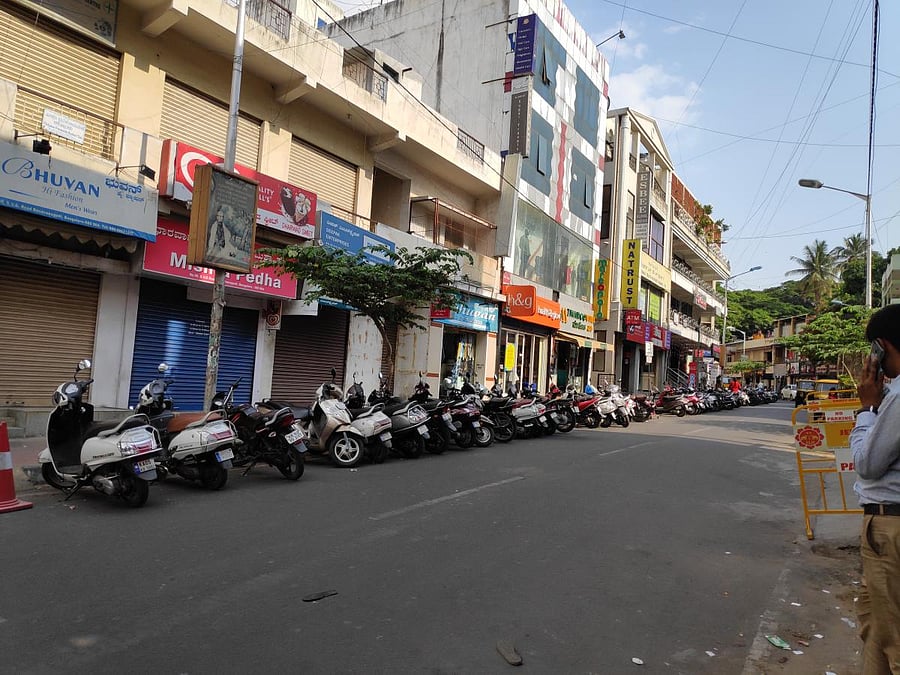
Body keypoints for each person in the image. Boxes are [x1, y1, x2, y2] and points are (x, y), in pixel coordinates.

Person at [850, 304, 900, 674]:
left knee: (892, 638)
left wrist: (867, 410)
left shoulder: (898, 396)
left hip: (889, 529)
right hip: (885, 527)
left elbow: (868, 464)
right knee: (876, 630)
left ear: (882, 347)